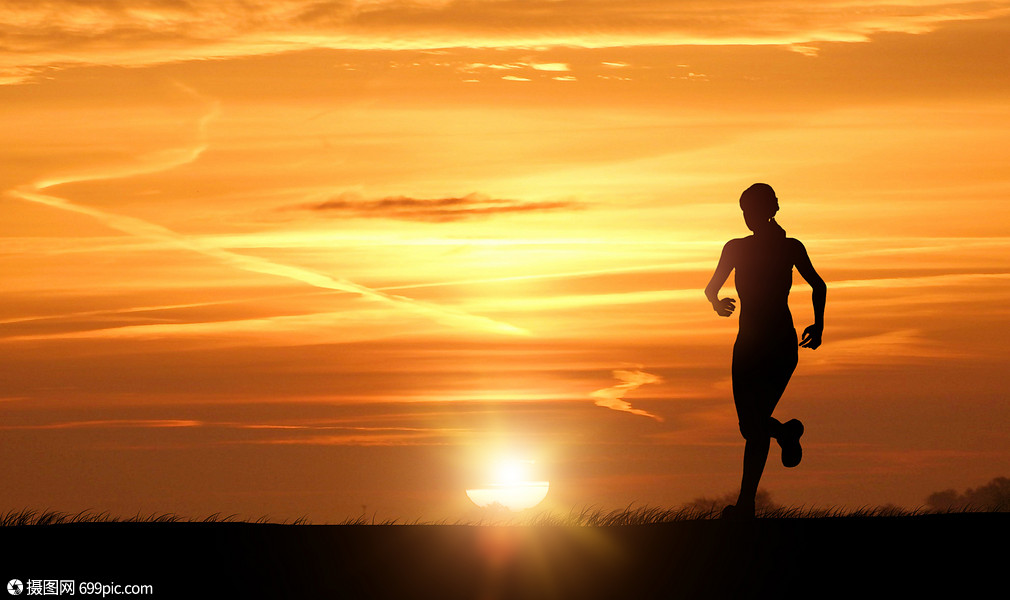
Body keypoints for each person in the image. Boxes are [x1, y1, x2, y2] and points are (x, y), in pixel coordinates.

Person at [704, 183, 826, 519]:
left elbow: (818, 284)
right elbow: (711, 287)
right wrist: (716, 303)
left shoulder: (790, 248)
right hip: (747, 346)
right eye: (745, 211)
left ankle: (745, 505)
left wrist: (819, 325)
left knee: (755, 425)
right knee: (750, 426)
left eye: (754, 210)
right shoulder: (735, 249)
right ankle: (785, 432)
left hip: (779, 344)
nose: (748, 217)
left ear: (769, 210)